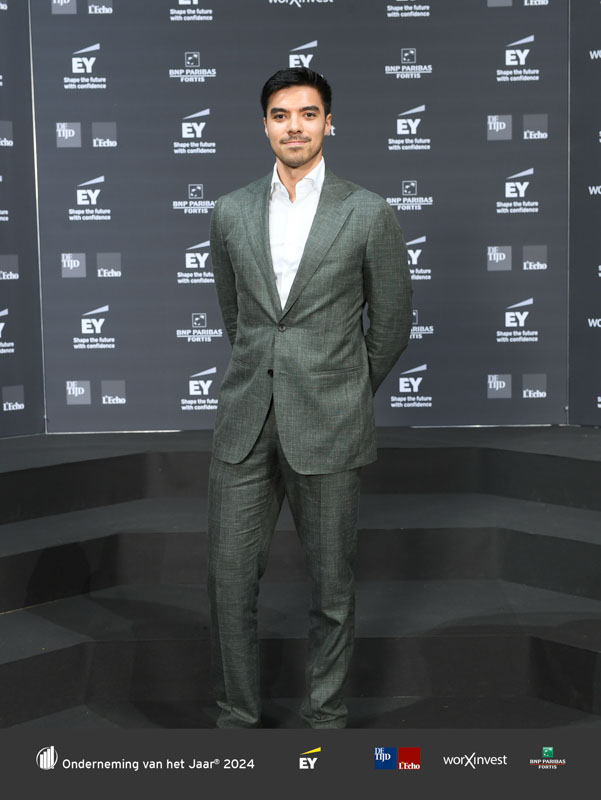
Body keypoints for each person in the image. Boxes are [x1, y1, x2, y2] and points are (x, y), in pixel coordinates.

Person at [208, 67, 412, 729]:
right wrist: (266, 373)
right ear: (264, 124)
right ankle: (236, 717)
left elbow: (392, 322)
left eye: (306, 113)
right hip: (245, 420)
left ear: (328, 122)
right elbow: (236, 317)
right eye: (280, 114)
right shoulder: (230, 211)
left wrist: (344, 388)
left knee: (330, 588)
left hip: (329, 422)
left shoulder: (367, 211)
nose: (293, 126)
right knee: (229, 584)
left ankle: (325, 718)